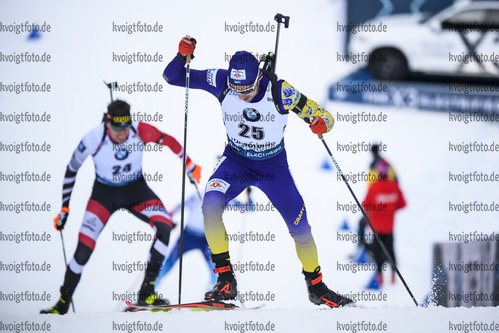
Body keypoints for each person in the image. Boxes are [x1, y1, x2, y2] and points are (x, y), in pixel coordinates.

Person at [161, 37, 354, 308]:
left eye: (248, 90)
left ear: (259, 79)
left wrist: (321, 123)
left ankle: (316, 287)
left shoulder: (280, 91)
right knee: (210, 204)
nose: (242, 96)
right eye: (236, 90)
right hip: (236, 163)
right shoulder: (221, 79)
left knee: (301, 227)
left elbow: (325, 117)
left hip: (272, 168)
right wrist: (182, 56)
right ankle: (226, 280)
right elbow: (173, 77)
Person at [40, 100, 202, 314]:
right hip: (104, 195)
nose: (122, 133)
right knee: (83, 250)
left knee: (164, 227)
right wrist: (64, 208)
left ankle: (146, 292)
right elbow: (72, 170)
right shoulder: (93, 138)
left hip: (136, 191)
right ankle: (62, 303)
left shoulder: (140, 130)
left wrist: (190, 165)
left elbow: (170, 141)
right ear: (108, 123)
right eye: (117, 129)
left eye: (125, 128)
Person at [155, 187, 253, 289]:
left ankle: (212, 296)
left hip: (207, 239)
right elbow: (180, 206)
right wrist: (167, 218)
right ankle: (149, 290)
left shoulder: (226, 199)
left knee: (215, 269)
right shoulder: (199, 195)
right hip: (188, 236)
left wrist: (250, 199)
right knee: (168, 263)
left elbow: (248, 208)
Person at [360, 145, 406, 286]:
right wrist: (390, 209)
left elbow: (366, 206)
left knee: (377, 249)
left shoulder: (374, 188)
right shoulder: (395, 186)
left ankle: (380, 275)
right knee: (390, 248)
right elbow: (402, 204)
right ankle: (393, 274)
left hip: (376, 225)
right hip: (390, 225)